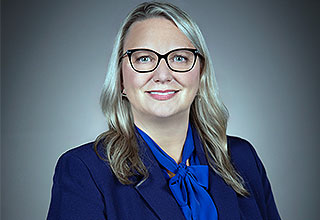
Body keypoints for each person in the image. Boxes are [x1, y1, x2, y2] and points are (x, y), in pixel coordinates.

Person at [47, 1, 281, 220]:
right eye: (144, 58)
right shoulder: (83, 171)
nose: (162, 75)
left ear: (200, 74)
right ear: (120, 79)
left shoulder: (242, 157)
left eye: (179, 57)